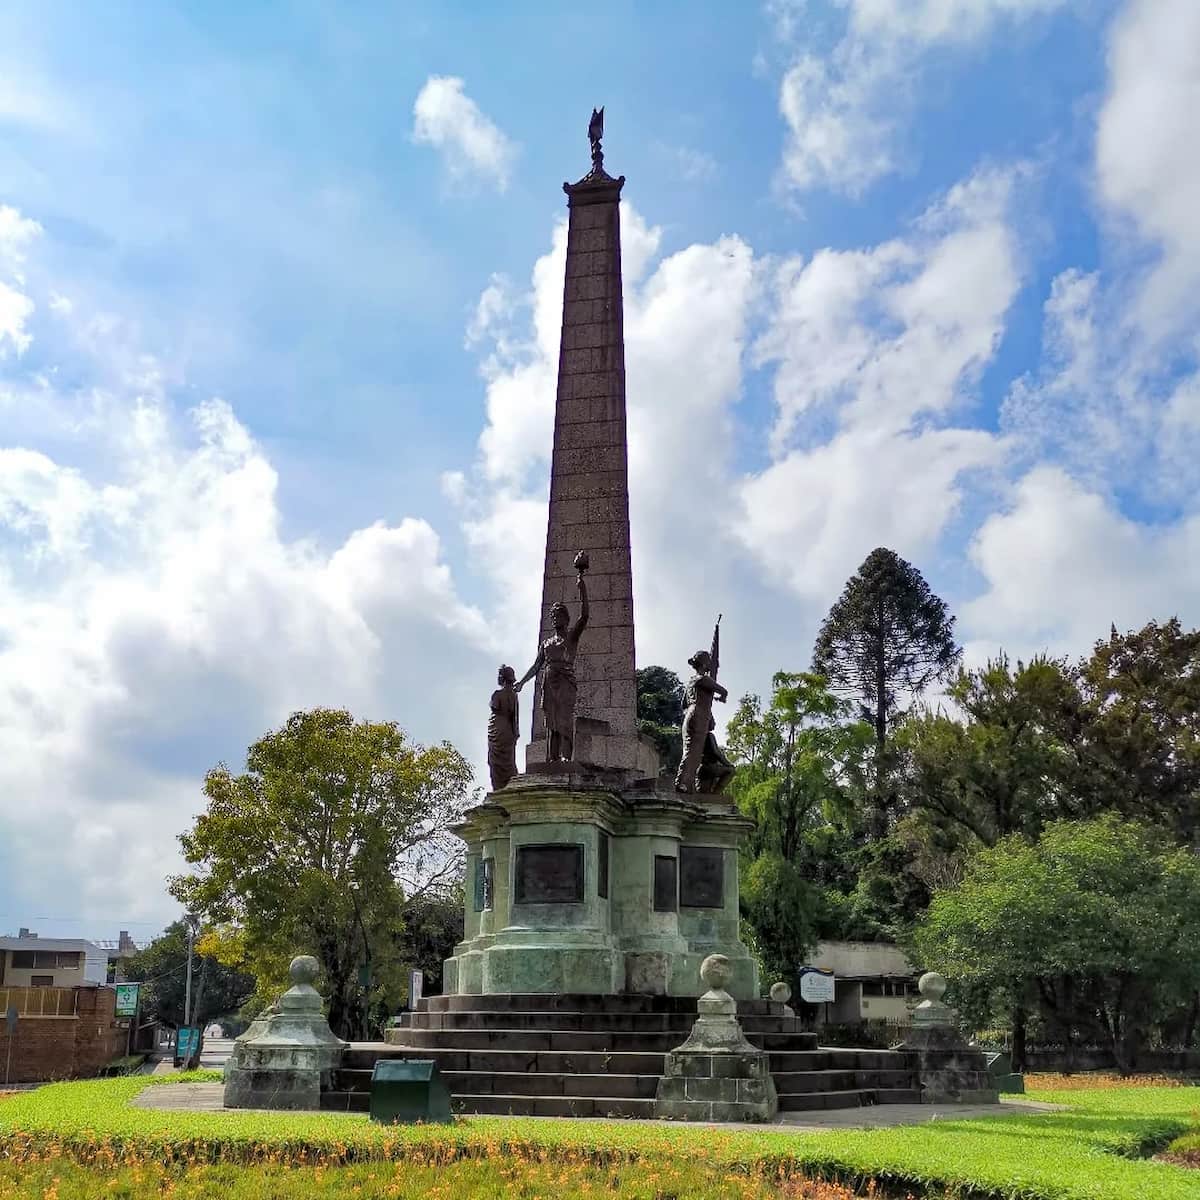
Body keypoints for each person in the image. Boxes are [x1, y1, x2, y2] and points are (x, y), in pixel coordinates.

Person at [516, 569, 589, 761]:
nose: (556, 618)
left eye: (559, 615)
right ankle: (553, 758)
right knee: (551, 722)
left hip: (565, 683)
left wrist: (582, 587)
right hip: (549, 683)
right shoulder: (546, 643)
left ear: (566, 619)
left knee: (565, 719)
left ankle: (566, 757)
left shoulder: (571, 637)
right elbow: (536, 665)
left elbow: (584, 617)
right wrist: (522, 682)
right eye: (553, 616)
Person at [674, 648, 733, 794]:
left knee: (691, 750)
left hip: (691, 715)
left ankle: (685, 783)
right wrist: (721, 699)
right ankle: (682, 783)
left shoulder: (690, 684)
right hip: (699, 715)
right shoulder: (702, 679)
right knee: (693, 752)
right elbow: (724, 691)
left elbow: (683, 705)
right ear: (705, 664)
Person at [487, 665, 520, 790]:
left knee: (494, 760)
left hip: (497, 727)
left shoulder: (497, 694)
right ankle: (508, 784)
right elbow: (515, 718)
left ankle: (499, 787)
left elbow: (494, 707)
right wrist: (515, 734)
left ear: (502, 678)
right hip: (508, 730)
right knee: (508, 759)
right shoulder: (514, 696)